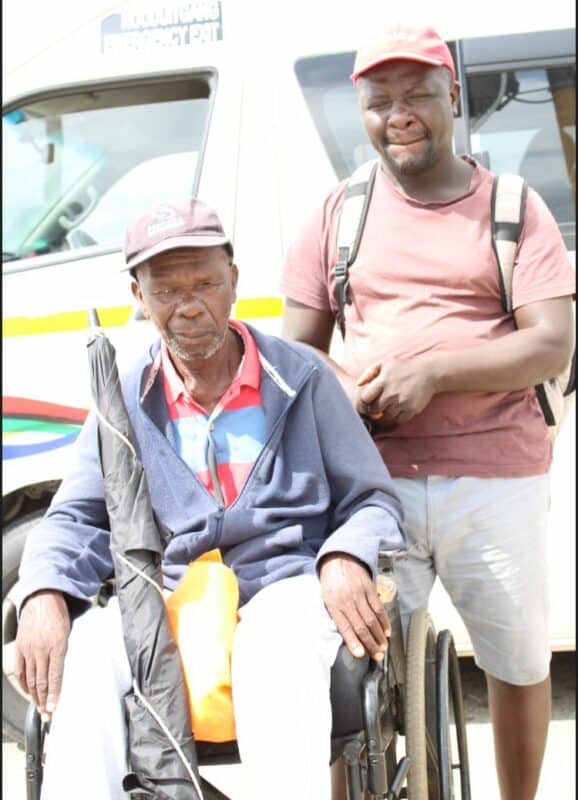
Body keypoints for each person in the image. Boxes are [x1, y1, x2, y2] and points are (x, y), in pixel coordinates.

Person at [13, 197, 406, 800]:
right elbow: (75, 518)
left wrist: (346, 555)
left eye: (205, 283)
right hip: (168, 600)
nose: (189, 305)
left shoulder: (301, 378)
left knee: (275, 648)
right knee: (88, 655)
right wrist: (43, 592)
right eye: (166, 290)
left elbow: (372, 499)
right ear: (139, 299)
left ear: (234, 284)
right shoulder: (124, 401)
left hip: (284, 587)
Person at [280, 22, 575, 800]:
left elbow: (550, 344)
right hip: (374, 485)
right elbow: (297, 348)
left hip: (497, 478)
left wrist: (433, 373)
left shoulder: (513, 207)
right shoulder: (336, 214)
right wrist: (340, 387)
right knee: (355, 670)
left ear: (453, 96)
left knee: (516, 663)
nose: (398, 114)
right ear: (363, 114)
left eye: (417, 95)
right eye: (380, 101)